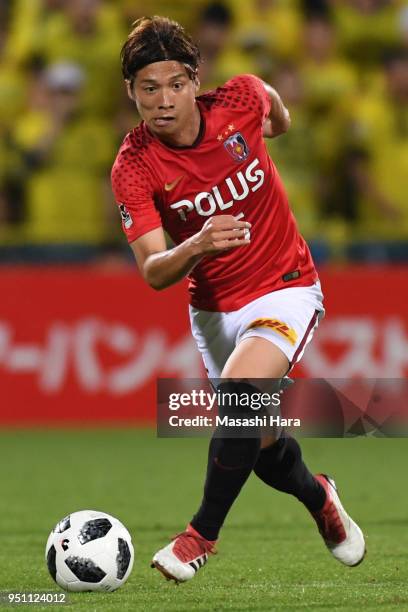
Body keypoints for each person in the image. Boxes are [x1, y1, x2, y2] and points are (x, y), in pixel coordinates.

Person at [111, 16, 365, 583]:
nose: (163, 100)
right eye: (148, 88)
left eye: (175, 84)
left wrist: (269, 131)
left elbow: (278, 114)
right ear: (131, 92)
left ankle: (198, 537)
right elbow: (154, 271)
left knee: (241, 395)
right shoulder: (134, 166)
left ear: (194, 80)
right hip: (214, 309)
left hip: (285, 282)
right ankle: (318, 495)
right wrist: (198, 244)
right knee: (260, 443)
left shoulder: (242, 98)